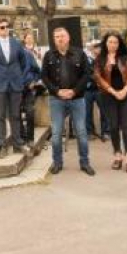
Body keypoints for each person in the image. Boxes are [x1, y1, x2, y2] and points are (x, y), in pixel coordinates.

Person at [41, 27, 95, 175]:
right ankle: (57, 162)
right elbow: (44, 76)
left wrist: (74, 91)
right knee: (57, 133)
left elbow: (87, 74)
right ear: (54, 40)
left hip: (77, 99)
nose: (60, 39)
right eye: (56, 36)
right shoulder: (49, 55)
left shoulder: (80, 53)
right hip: (57, 99)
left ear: (68, 37)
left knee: (81, 132)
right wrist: (57, 91)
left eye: (62, 36)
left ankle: (85, 163)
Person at [0, 18, 29, 156]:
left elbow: (23, 62)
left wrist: (18, 75)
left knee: (15, 115)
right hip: (0, 84)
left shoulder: (16, 43)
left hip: (15, 83)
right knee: (0, 116)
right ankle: (2, 145)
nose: (5, 29)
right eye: (2, 27)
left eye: (7, 27)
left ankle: (17, 143)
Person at [94, 31, 127, 173]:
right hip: (108, 96)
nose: (113, 45)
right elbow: (98, 78)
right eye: (110, 42)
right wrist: (113, 91)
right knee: (113, 126)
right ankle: (117, 155)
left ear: (119, 44)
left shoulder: (125, 58)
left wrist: (125, 89)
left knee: (126, 126)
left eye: (115, 42)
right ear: (105, 43)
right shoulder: (100, 59)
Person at [20, 31, 42, 144]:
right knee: (16, 113)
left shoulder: (28, 54)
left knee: (29, 112)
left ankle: (30, 138)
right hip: (15, 89)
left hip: (28, 87)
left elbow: (38, 71)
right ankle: (22, 137)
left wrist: (34, 81)